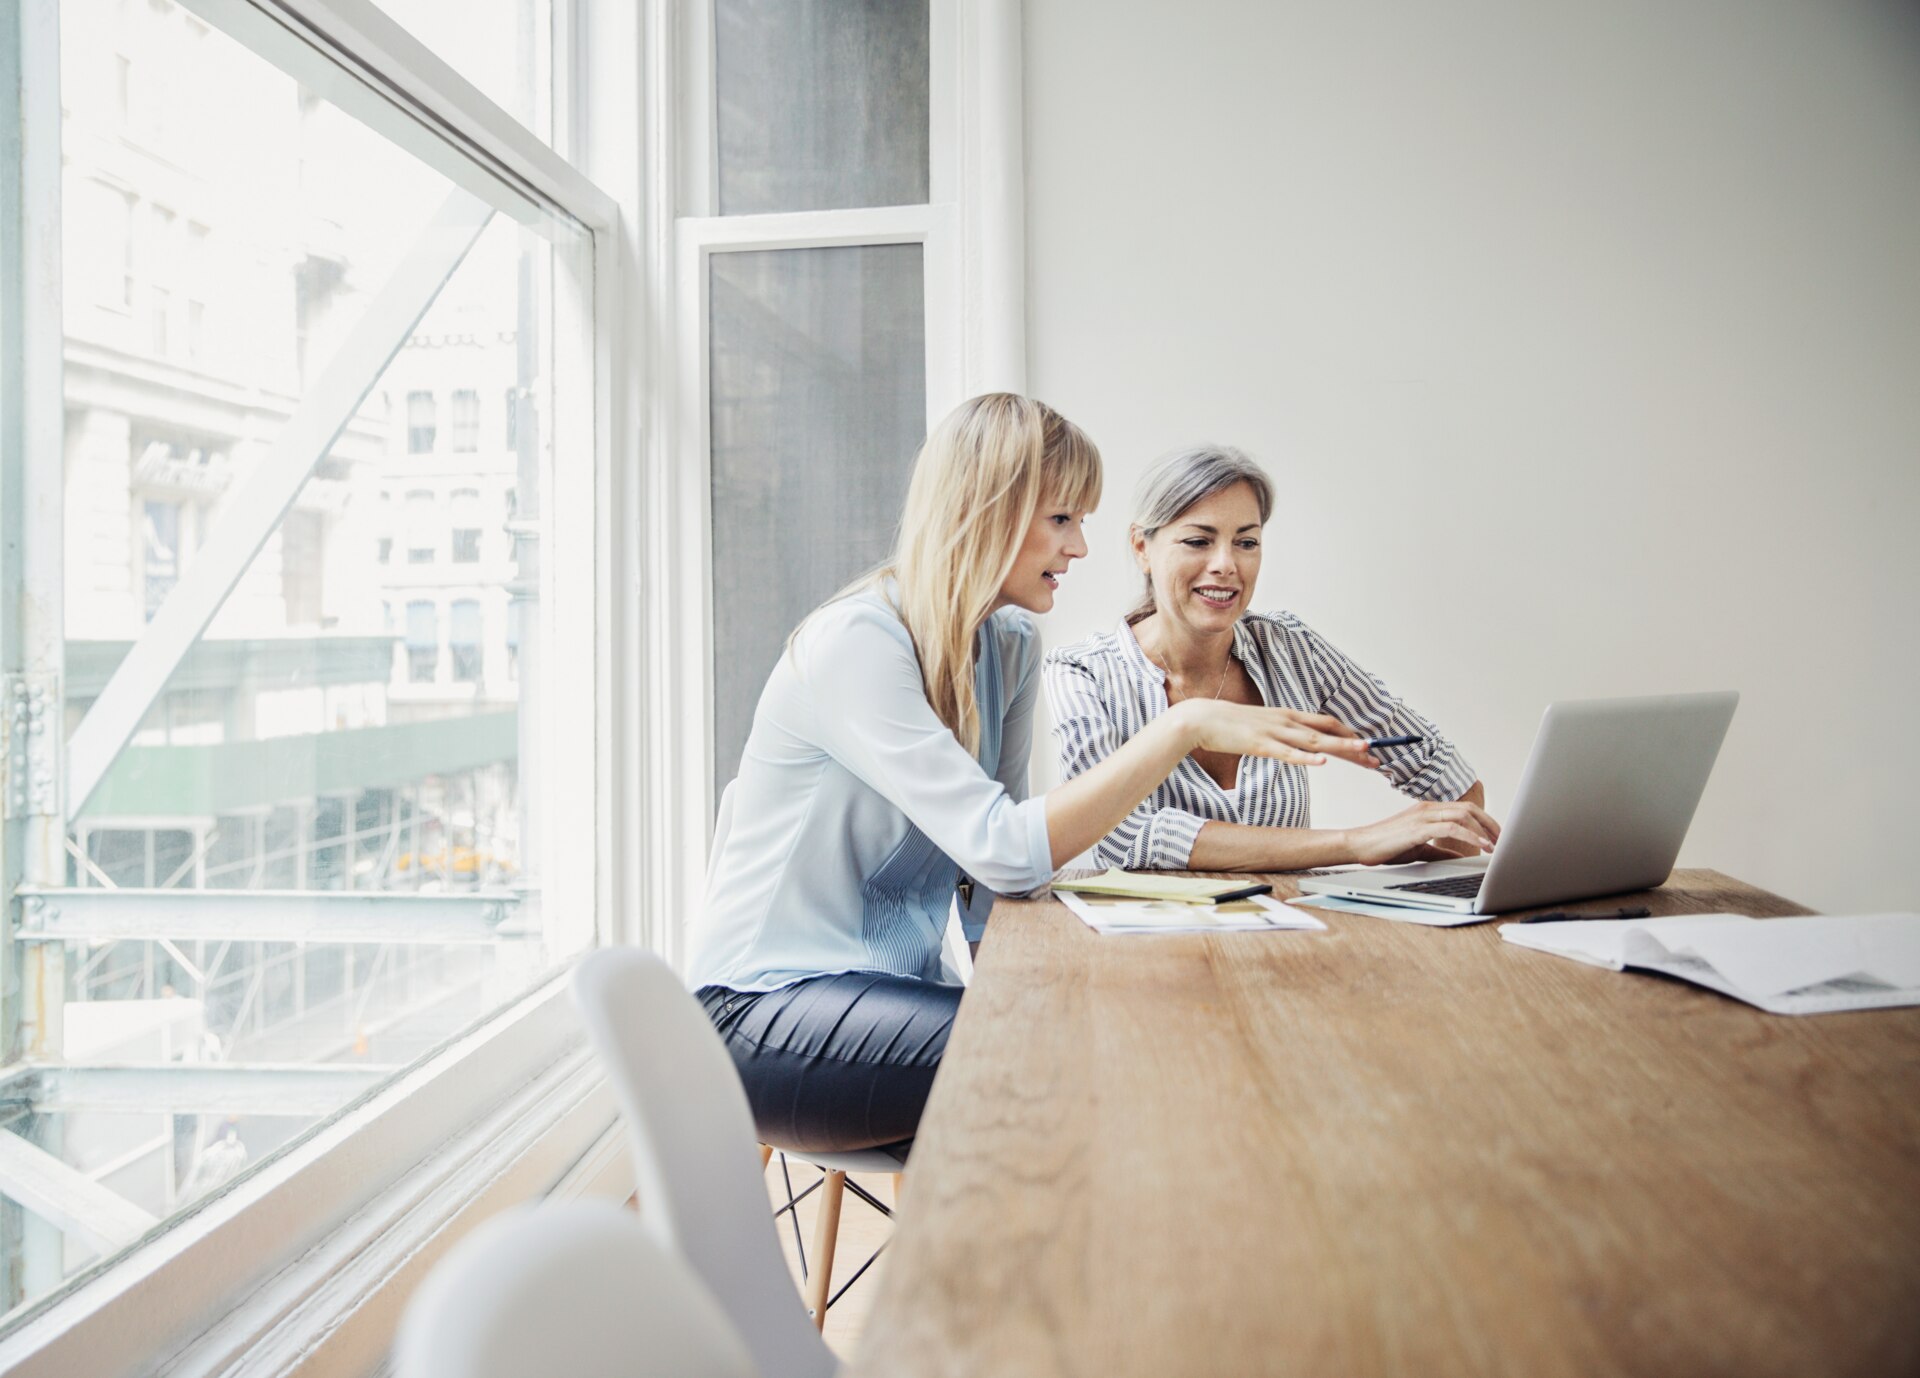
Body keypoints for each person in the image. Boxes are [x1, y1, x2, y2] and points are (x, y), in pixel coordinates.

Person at [686, 398, 1381, 1161]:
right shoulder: (858, 644)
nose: (1081, 546)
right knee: (1085, 1058)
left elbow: (1001, 882)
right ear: (987, 512)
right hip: (762, 1013)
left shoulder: (1009, 644)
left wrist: (1045, 981)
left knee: (1118, 1043)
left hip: (894, 1004)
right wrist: (1182, 727)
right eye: (1061, 519)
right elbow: (1006, 849)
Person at [1044, 443, 1500, 873]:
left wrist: (1439, 897)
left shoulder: (1291, 648)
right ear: (1142, 547)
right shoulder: (1081, 673)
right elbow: (1125, 836)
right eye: (1199, 541)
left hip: (1290, 943)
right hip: (1145, 950)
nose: (1226, 564)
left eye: (1246, 542)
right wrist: (1354, 844)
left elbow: (1449, 779)